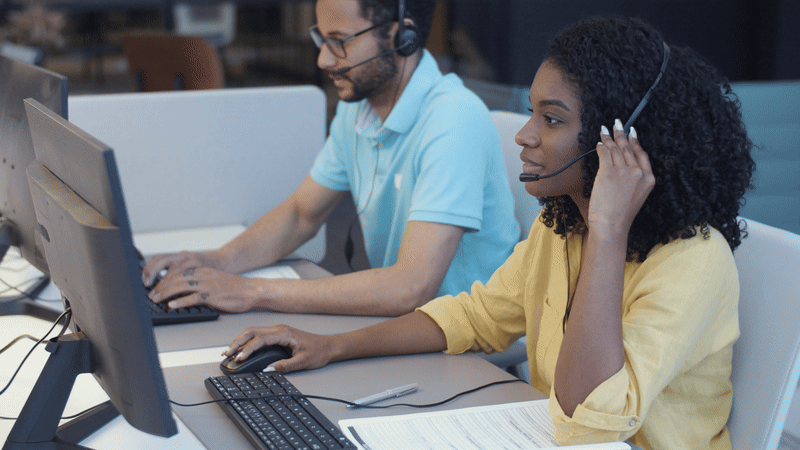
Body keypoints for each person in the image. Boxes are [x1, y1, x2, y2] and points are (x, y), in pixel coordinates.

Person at [221, 16, 756, 450]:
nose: (524, 136)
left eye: (551, 120)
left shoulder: (692, 260)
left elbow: (587, 414)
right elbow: (474, 315)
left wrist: (609, 228)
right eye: (532, 114)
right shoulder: (561, 226)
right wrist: (332, 348)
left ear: (619, 140)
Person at [142, 0, 519, 317]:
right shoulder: (359, 109)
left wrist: (254, 291)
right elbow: (302, 214)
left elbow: (411, 286)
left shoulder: (453, 119)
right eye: (322, 38)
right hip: (408, 329)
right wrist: (215, 263)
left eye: (339, 42)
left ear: (402, 37)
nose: (323, 59)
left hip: (469, 350)